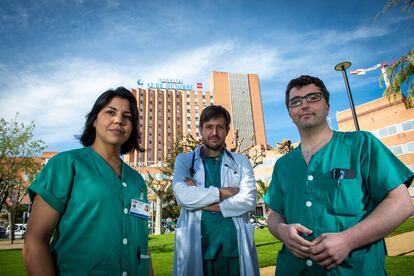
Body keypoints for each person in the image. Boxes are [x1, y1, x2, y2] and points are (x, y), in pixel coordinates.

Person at [265, 75, 414, 275]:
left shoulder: (361, 144)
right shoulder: (282, 165)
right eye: (296, 101)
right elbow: (275, 215)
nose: (304, 104)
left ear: (327, 105)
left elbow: (402, 203)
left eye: (313, 97)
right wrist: (282, 231)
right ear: (290, 114)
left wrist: (349, 239)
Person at [23, 87, 153, 275]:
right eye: (110, 112)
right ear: (94, 120)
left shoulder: (137, 180)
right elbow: (35, 241)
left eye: (127, 116)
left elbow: (141, 244)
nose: (119, 120)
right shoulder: (66, 164)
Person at [172, 105, 260, 276]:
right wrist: (223, 193)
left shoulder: (241, 162)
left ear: (227, 130)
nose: (214, 132)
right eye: (209, 127)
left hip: (234, 246)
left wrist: (199, 200)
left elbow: (248, 201)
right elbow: (182, 196)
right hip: (199, 246)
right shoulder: (184, 161)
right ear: (200, 129)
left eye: (220, 127)